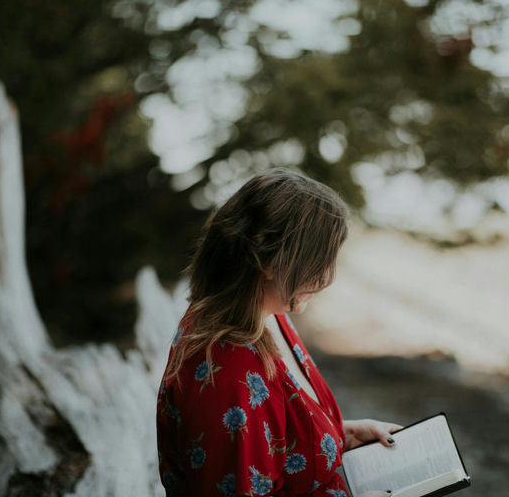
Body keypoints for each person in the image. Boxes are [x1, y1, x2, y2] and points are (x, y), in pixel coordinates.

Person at [156, 168, 401, 496]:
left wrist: (342, 437)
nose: (328, 277)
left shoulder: (266, 314)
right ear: (269, 262)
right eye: (319, 260)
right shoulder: (231, 375)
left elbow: (274, 436)